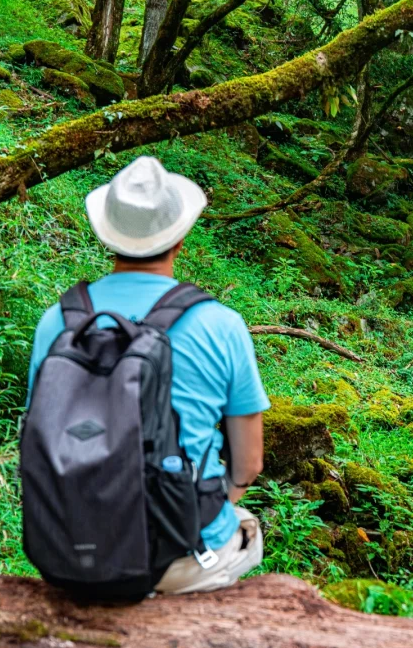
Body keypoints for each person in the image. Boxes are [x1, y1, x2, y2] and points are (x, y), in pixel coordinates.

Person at [26, 155, 270, 593]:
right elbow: (249, 465)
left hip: (65, 547)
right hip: (178, 558)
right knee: (246, 528)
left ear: (110, 238)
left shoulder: (59, 321)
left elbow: (38, 433)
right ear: (180, 239)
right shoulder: (221, 324)